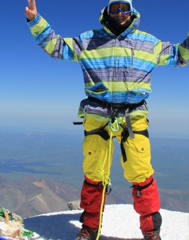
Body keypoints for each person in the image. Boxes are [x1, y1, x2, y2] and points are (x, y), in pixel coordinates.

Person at [24, 0, 189, 239]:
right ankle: (90, 228)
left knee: (141, 172)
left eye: (125, 8)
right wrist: (35, 21)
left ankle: (151, 232)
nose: (120, 13)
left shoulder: (149, 43)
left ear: (132, 12)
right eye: (115, 8)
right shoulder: (89, 40)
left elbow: (180, 56)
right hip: (97, 115)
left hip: (133, 117)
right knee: (94, 173)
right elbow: (57, 47)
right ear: (106, 11)